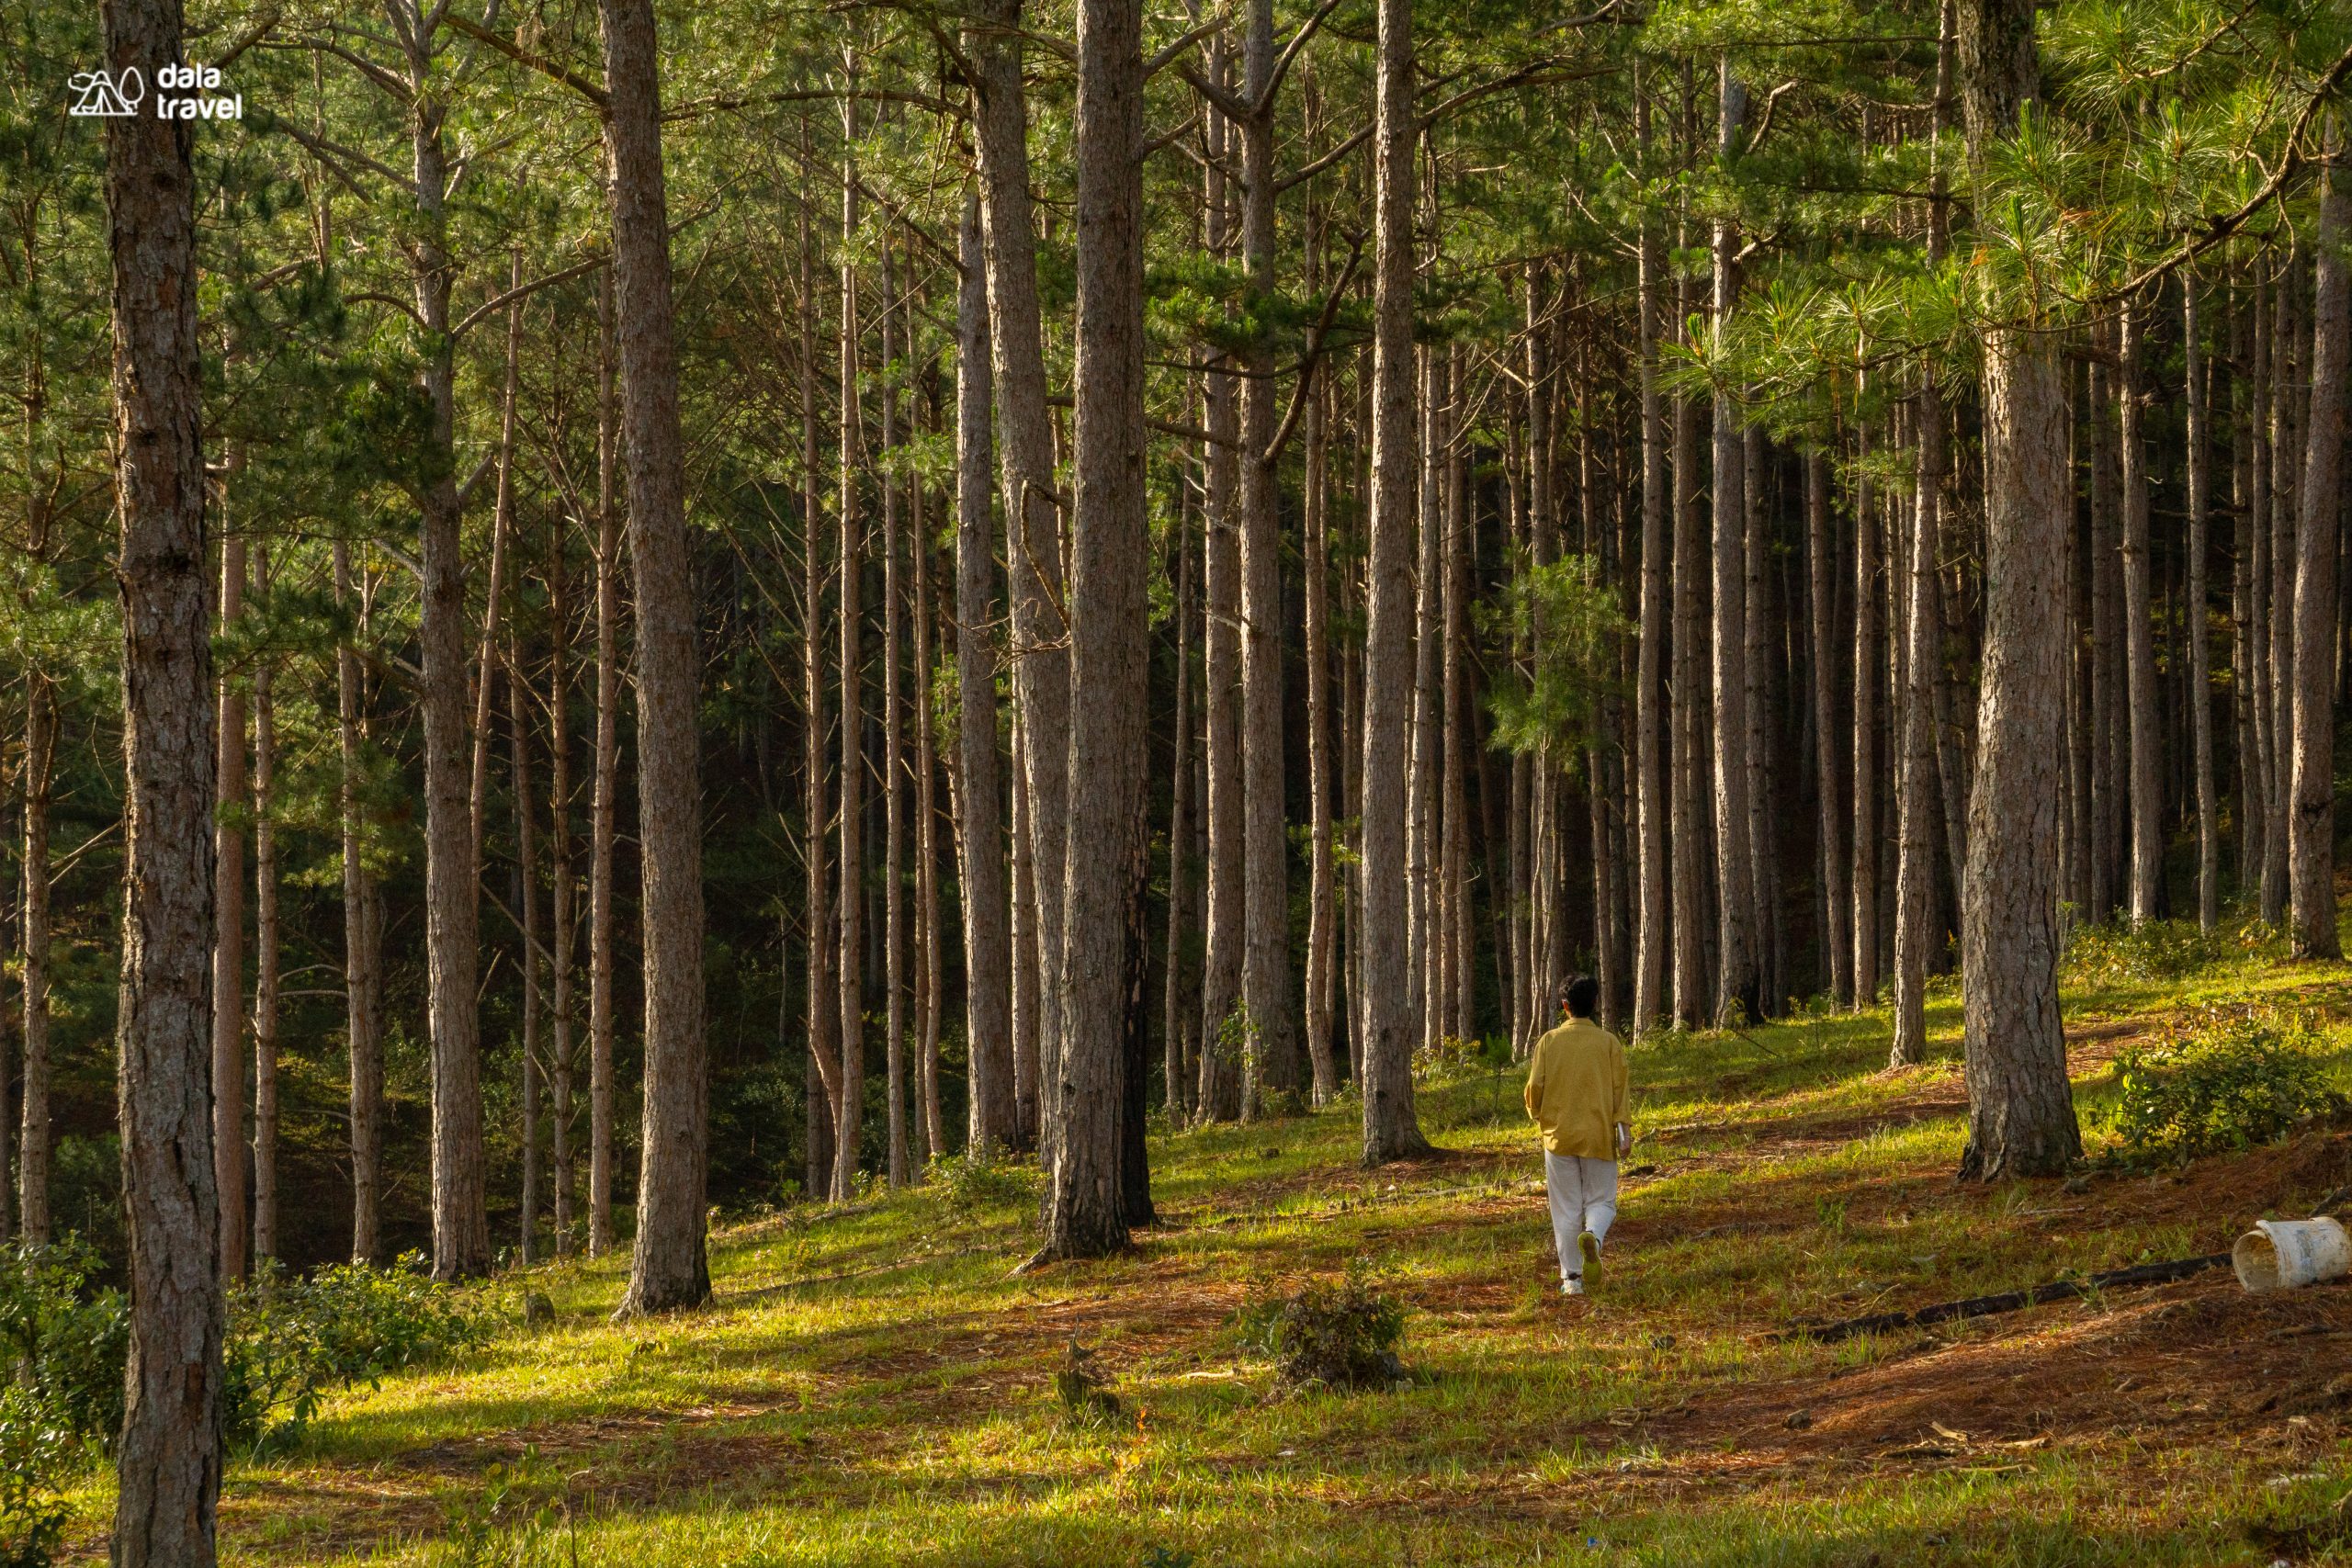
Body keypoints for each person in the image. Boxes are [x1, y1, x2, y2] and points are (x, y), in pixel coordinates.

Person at [1523, 975, 1630, 1296]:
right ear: (1594, 1004)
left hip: (1559, 1137)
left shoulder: (1549, 1041)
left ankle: (1572, 1280)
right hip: (1598, 1134)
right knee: (1603, 1202)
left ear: (1564, 1006)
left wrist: (1539, 1116)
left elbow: (1534, 1089)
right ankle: (1594, 1238)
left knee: (1565, 1208)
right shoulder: (1608, 1043)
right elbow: (1619, 1091)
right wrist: (1624, 1131)